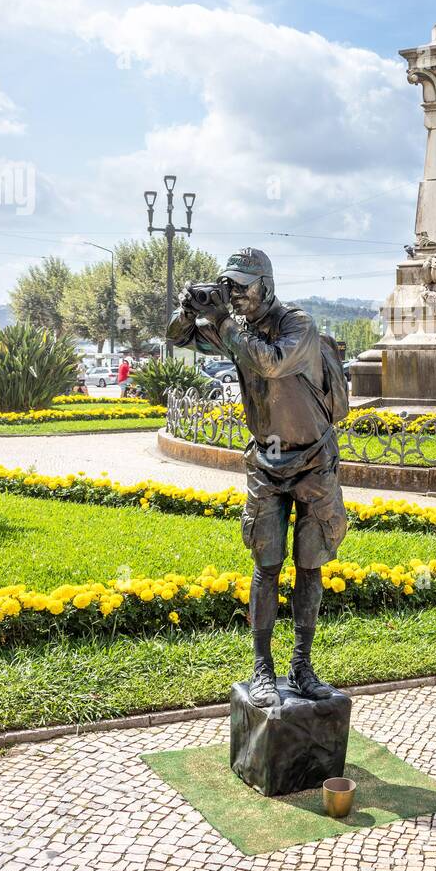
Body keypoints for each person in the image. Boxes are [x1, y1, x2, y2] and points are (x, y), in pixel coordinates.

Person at [167, 248, 347, 707]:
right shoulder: (236, 326)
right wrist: (188, 309)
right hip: (266, 463)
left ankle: (302, 666)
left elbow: (267, 362)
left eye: (244, 285)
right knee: (266, 564)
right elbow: (179, 338)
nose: (236, 294)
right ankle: (262, 668)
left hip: (312, 460)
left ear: (266, 285)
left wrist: (225, 323)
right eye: (230, 285)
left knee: (310, 561)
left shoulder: (297, 325)